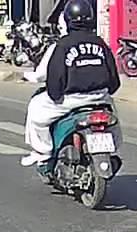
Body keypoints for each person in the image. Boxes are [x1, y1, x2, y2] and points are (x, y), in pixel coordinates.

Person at [20, 0, 120, 167]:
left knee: (36, 109)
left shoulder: (62, 45)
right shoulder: (100, 43)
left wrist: (55, 95)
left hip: (72, 99)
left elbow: (54, 77)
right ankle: (113, 148)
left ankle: (43, 152)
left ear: (66, 21)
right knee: (113, 119)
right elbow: (114, 80)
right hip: (100, 97)